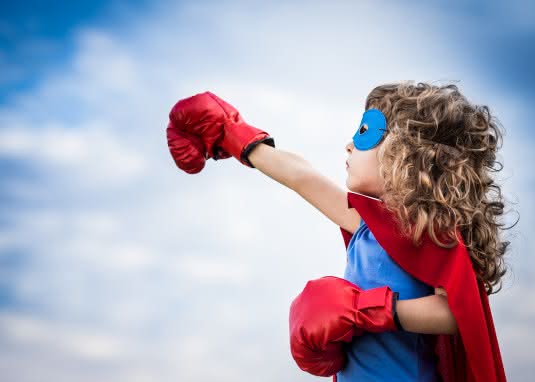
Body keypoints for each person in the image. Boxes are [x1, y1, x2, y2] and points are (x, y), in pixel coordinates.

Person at [166, 81, 511, 381]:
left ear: (407, 154)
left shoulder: (428, 230)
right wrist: (231, 132)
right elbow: (303, 177)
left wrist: (367, 309)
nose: (348, 145)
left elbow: (457, 312)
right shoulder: (365, 226)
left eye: (364, 133)